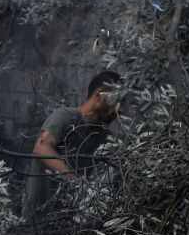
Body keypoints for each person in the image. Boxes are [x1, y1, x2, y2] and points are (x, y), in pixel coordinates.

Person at [21, 70, 122, 220]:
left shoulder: (103, 137)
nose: (120, 108)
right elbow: (41, 147)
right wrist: (76, 181)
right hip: (37, 221)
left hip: (67, 225)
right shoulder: (64, 117)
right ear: (99, 96)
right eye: (118, 101)